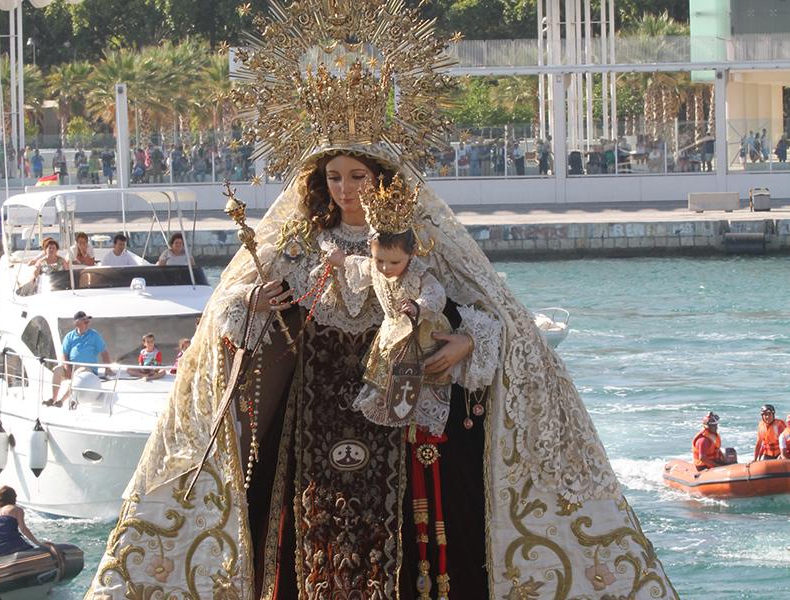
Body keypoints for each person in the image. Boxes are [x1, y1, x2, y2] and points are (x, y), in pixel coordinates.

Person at [87, 3, 677, 598]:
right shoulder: (296, 242)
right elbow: (230, 312)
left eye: (357, 177)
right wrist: (255, 304)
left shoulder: (421, 244)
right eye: (335, 177)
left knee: (410, 551)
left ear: (382, 179)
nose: (345, 190)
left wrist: (469, 338)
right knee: (312, 543)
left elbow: (497, 316)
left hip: (401, 426)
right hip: (312, 422)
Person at [327, 175, 461, 437]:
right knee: (390, 381)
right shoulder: (375, 266)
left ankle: (420, 422)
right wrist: (340, 260)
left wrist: (419, 306)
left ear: (412, 254)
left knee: (422, 380)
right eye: (380, 261)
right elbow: (357, 265)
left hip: (420, 332)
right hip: (391, 333)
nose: (386, 269)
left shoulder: (418, 274)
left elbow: (436, 294)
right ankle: (395, 414)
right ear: (372, 251)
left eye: (394, 263)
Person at [46, 311, 112, 407]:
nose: (87, 322)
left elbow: (104, 352)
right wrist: (67, 367)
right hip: (72, 367)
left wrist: (108, 368)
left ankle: (62, 400)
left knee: (78, 374)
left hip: (87, 369)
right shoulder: (70, 336)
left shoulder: (94, 335)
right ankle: (53, 398)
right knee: (57, 370)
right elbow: (65, 354)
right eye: (84, 320)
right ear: (77, 323)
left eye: (87, 320)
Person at [0, 486, 46, 557]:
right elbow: (23, 529)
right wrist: (38, 543)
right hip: (14, 546)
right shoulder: (16, 509)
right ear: (13, 497)